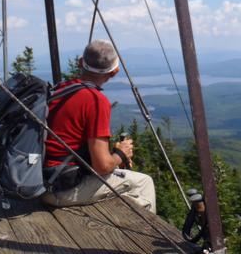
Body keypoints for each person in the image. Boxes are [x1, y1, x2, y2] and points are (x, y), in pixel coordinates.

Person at [42, 39, 156, 213]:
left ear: (81, 62)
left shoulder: (60, 89)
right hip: (60, 189)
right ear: (115, 72)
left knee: (119, 174)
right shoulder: (96, 101)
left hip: (38, 179)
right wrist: (121, 153)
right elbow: (101, 166)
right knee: (143, 182)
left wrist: (115, 158)